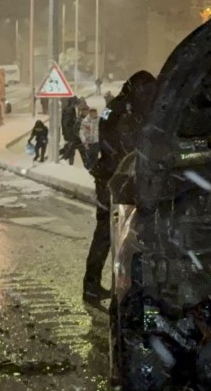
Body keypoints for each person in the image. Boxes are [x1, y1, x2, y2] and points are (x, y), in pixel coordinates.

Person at [84, 72, 157, 303]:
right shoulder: (120, 110)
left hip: (118, 178)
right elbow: (118, 144)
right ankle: (101, 287)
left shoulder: (123, 107)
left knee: (114, 234)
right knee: (110, 234)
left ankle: (100, 285)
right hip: (113, 180)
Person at [59, 99, 87, 166]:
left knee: (72, 147)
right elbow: (67, 123)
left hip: (73, 133)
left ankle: (66, 160)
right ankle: (64, 159)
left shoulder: (71, 109)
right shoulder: (70, 111)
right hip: (72, 134)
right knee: (75, 147)